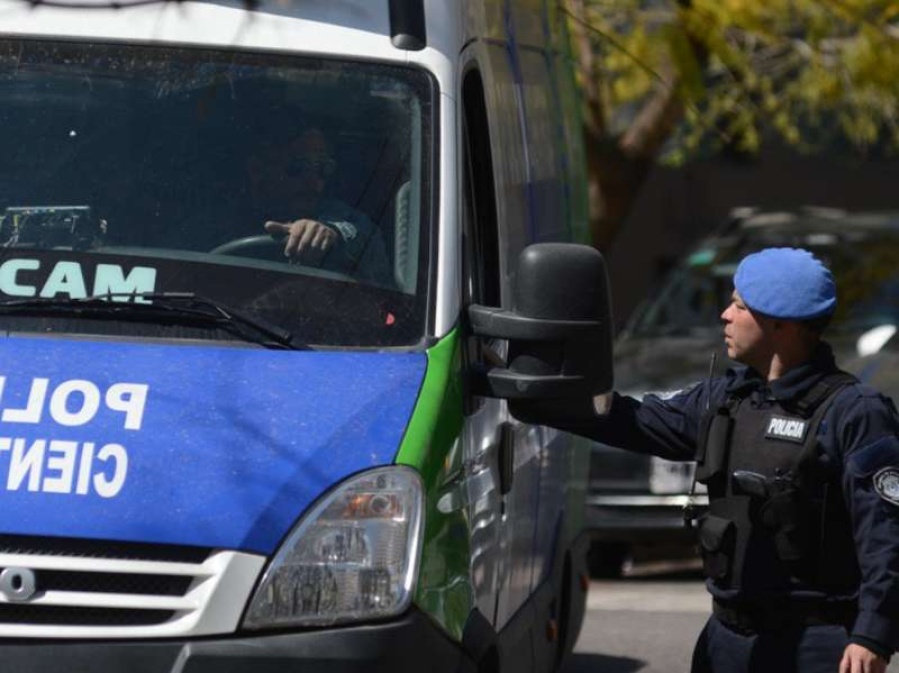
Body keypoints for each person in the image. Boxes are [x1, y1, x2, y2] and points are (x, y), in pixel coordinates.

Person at [561, 248, 899, 672]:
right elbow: (632, 420)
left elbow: (885, 536)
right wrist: (538, 392)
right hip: (726, 639)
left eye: (739, 306)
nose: (724, 315)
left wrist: (872, 633)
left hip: (818, 643)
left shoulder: (855, 411)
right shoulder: (728, 398)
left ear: (780, 323)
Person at [241, 125, 391, 285]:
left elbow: (362, 237)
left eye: (322, 168)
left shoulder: (340, 214)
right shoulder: (216, 214)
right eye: (297, 167)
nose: (313, 182)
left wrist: (330, 234)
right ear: (257, 170)